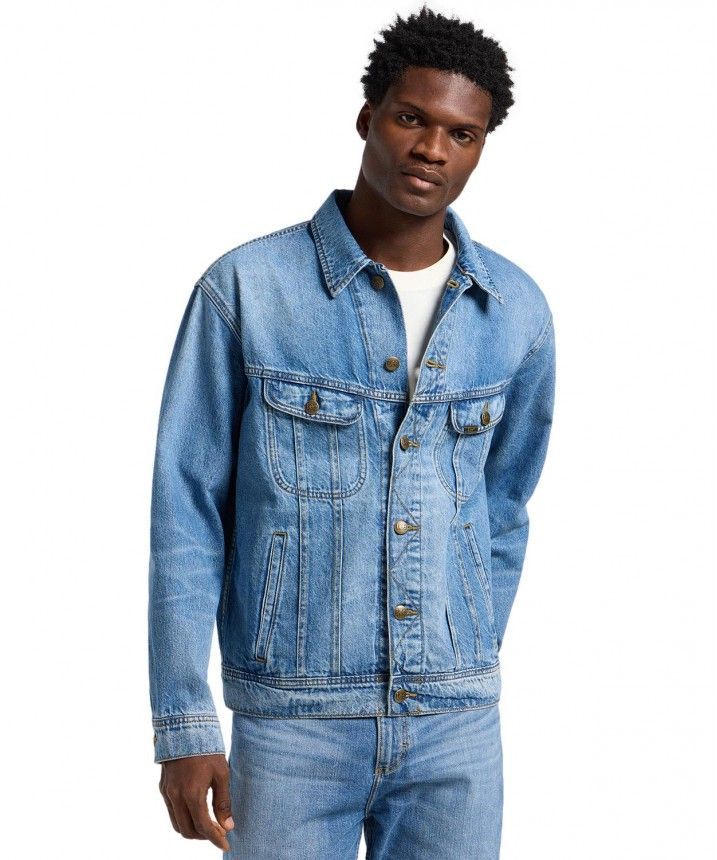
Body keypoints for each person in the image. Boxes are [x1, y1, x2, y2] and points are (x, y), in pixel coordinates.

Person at [148, 5, 556, 857]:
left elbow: (503, 510)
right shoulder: (247, 289)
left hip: (455, 726)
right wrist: (185, 725)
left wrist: (465, 644)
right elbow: (187, 511)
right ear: (367, 117)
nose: (432, 149)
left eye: (462, 134)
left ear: (480, 147)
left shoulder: (514, 311)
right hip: (291, 723)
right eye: (411, 118)